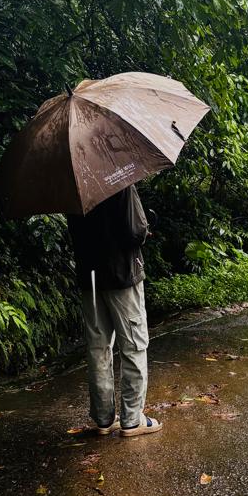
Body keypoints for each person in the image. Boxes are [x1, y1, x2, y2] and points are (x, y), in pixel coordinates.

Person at [66, 184, 162, 437]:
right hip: (121, 275)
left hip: (90, 278)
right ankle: (132, 420)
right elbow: (135, 230)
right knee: (133, 345)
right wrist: (145, 231)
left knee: (98, 349)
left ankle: (103, 418)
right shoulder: (119, 181)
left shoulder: (72, 186)